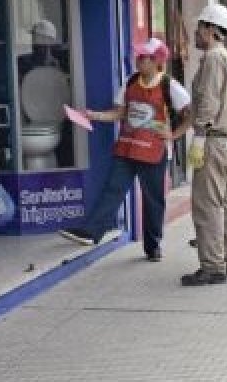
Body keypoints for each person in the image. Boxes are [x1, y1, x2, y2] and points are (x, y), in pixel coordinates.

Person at [58, 38, 192, 262]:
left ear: (157, 61)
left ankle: (153, 245)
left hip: (153, 152)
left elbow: (190, 114)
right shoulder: (130, 83)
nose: (139, 60)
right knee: (113, 189)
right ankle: (92, 232)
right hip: (127, 148)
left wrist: (175, 135)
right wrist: (94, 115)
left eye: (144, 58)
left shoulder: (169, 86)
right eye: (139, 56)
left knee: (153, 200)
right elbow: (119, 113)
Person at [180, 3, 227, 286]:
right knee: (225, 203)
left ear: (210, 29)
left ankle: (212, 266)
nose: (195, 33)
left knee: (206, 205)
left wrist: (200, 137)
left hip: (214, 140)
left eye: (198, 27)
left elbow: (208, 100)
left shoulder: (213, 59)